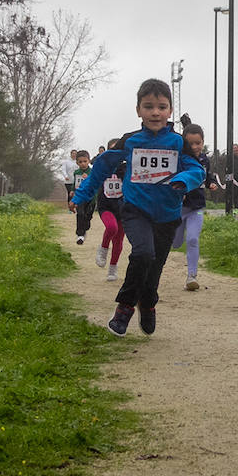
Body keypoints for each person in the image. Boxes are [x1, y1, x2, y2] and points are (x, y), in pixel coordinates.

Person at [73, 79, 204, 337]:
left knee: (154, 267)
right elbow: (101, 167)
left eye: (161, 107)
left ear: (170, 111)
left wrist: (183, 180)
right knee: (143, 254)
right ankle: (125, 306)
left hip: (167, 214)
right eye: (148, 107)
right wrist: (83, 195)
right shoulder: (130, 141)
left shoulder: (178, 142)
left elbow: (197, 170)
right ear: (138, 110)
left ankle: (148, 303)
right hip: (135, 210)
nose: (155, 112)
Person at [172, 121, 208, 291]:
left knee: (193, 239)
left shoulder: (204, 160)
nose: (194, 147)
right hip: (178, 209)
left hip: (197, 208)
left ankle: (191, 276)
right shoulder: (178, 161)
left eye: (198, 143)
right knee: (176, 243)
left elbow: (208, 177)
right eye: (190, 143)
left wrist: (212, 183)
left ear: (203, 142)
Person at [95, 137, 126, 283]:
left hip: (122, 208)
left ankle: (112, 268)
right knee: (111, 227)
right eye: (112, 150)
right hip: (105, 206)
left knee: (119, 241)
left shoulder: (126, 168)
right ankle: (103, 248)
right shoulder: (102, 166)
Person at [70, 150, 93, 243]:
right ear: (77, 163)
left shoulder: (92, 172)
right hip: (80, 196)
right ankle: (80, 235)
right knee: (80, 213)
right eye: (80, 162)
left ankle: (86, 225)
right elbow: (75, 183)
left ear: (89, 161)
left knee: (87, 216)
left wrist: (88, 178)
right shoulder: (76, 172)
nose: (83, 164)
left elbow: (96, 183)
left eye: (85, 161)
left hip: (91, 197)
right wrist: (72, 190)